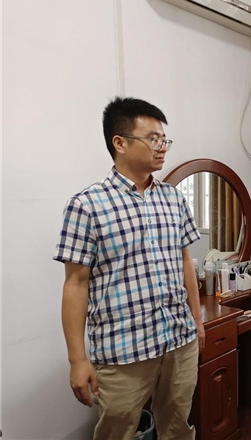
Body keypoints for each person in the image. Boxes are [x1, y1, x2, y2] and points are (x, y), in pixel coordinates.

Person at [53, 96, 205, 440]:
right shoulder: (87, 205)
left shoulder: (173, 198)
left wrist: (196, 320)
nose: (162, 147)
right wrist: (78, 360)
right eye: (153, 139)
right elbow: (75, 285)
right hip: (124, 352)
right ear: (119, 143)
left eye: (164, 139)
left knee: (178, 427)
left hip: (178, 341)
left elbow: (185, 261)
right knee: (116, 433)